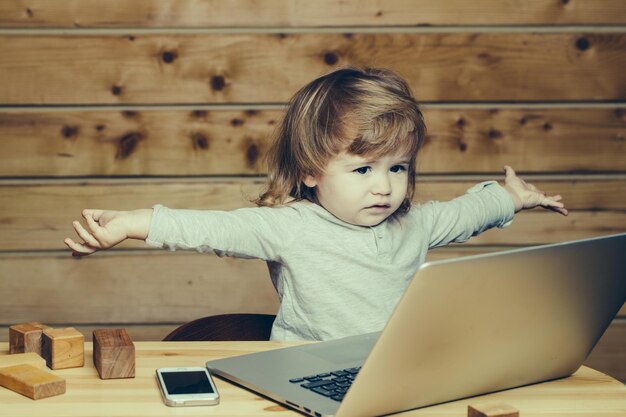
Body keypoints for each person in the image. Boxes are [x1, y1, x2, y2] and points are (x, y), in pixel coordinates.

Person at [65, 67, 567, 341]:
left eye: (398, 168)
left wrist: (510, 197)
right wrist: (131, 223)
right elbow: (212, 229)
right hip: (303, 377)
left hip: (391, 377)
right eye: (362, 169)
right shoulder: (293, 228)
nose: (384, 188)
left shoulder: (415, 223)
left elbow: (467, 214)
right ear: (310, 171)